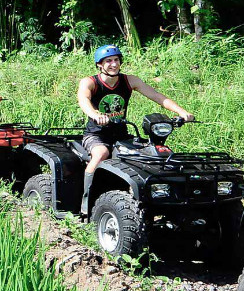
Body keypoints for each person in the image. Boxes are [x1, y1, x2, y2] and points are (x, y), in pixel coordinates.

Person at [77, 45, 195, 211]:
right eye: (108, 61)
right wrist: (95, 114)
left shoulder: (129, 80)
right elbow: (83, 99)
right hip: (96, 134)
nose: (113, 64)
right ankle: (86, 203)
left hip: (121, 134)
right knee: (101, 154)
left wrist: (182, 112)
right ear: (99, 64)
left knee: (149, 155)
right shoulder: (90, 82)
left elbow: (157, 96)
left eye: (116, 60)